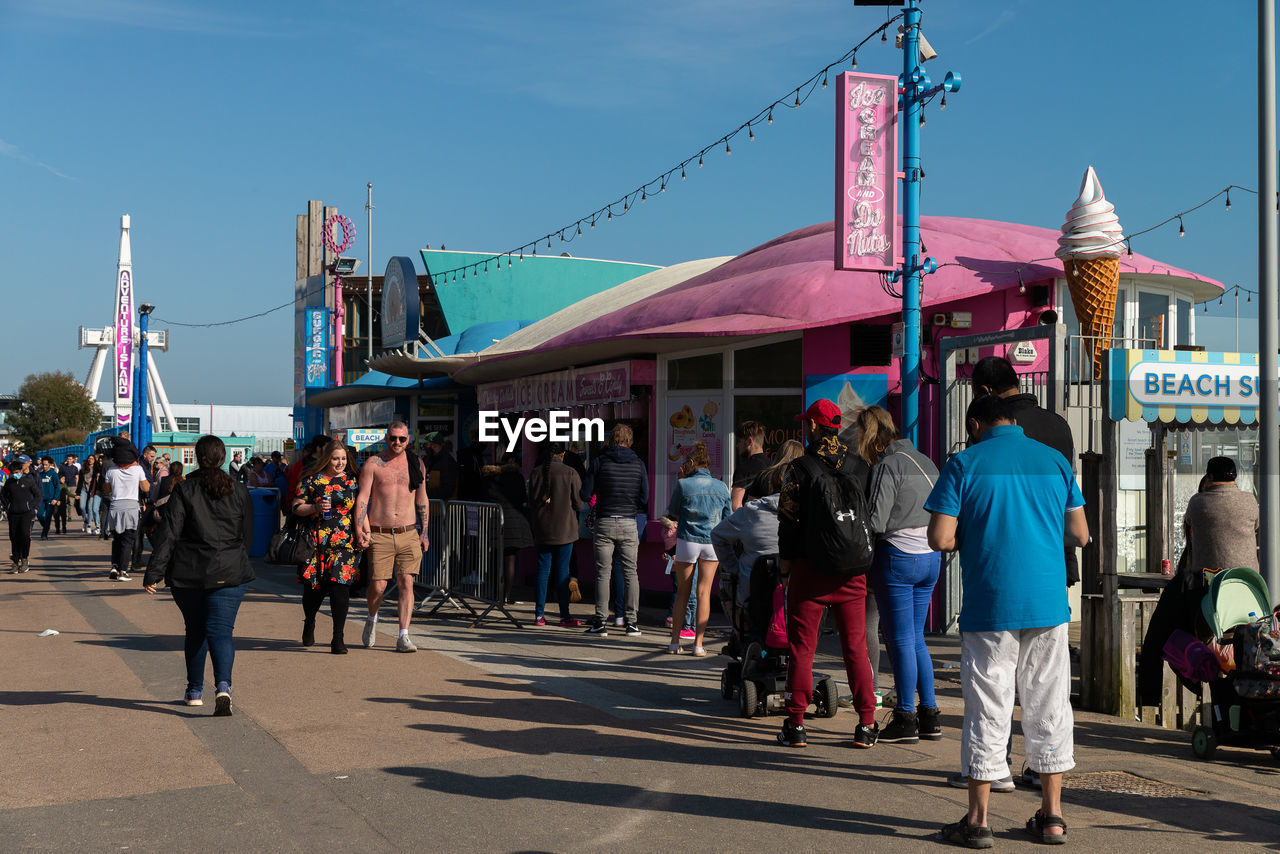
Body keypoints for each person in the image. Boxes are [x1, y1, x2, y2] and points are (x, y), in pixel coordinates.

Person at [926, 394, 1089, 848]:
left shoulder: (964, 463)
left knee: (988, 703)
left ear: (976, 423)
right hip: (1046, 603)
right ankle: (1052, 816)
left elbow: (940, 537)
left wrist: (976, 529)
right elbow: (1080, 533)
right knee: (1050, 702)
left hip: (991, 601)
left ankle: (978, 820)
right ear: (1015, 422)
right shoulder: (1054, 461)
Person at [776, 398, 877, 750]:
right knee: (856, 648)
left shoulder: (798, 469)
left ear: (815, 427)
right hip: (852, 572)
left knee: (803, 648)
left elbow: (787, 521)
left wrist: (785, 566)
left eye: (808, 424)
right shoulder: (860, 465)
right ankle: (866, 723)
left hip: (809, 569)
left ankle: (796, 724)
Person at [143, 435, 254, 715]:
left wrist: (154, 573)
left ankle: (194, 690)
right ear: (223, 457)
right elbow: (247, 536)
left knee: (195, 631)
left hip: (189, 573)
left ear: (197, 456)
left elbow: (169, 534)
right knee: (221, 631)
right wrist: (237, 561)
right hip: (230, 571)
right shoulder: (239, 490)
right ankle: (224, 686)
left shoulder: (185, 489)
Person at [858, 405, 943, 744]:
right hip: (931, 557)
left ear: (872, 440)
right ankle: (930, 714)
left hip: (898, 557)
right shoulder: (927, 462)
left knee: (900, 639)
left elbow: (876, 522)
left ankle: (905, 716)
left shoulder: (887, 466)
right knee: (917, 637)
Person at [354, 422, 430, 653]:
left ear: (409, 440)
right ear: (386, 438)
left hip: (408, 532)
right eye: (393, 438)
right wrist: (360, 528)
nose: (397, 443)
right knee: (378, 586)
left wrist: (424, 531)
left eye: (402, 439)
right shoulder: (374, 464)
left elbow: (422, 498)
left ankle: (403, 635)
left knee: (406, 582)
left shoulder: (416, 464)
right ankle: (372, 617)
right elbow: (363, 498)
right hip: (380, 533)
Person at [580, 423, 649, 636]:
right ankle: (632, 622)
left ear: (612, 440)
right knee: (631, 572)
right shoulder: (639, 465)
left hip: (605, 520)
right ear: (630, 441)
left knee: (603, 572)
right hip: (629, 521)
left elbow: (585, 494)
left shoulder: (599, 462)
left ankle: (600, 622)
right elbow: (645, 497)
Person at [293, 441, 361, 654]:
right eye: (335, 458)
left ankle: (338, 638)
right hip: (316, 543)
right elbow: (296, 507)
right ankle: (310, 620)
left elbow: (360, 509)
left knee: (340, 588)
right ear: (327, 459)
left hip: (345, 543)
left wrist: (364, 532)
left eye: (343, 458)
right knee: (313, 590)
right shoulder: (311, 480)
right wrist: (313, 507)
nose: (339, 463)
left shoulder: (353, 481)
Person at [666, 442, 731, 655]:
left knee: (683, 593)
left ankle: (675, 642)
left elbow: (674, 513)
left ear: (693, 462)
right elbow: (727, 518)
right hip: (711, 543)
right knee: (704, 593)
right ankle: (699, 645)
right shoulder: (721, 487)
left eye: (686, 462)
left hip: (688, 541)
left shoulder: (683, 485)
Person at [529, 444, 584, 627]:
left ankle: (539, 615)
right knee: (563, 572)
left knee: (543, 570)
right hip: (565, 530)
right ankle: (564, 615)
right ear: (563, 454)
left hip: (542, 529)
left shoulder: (536, 472)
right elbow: (578, 503)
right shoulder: (570, 472)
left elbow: (531, 500)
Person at [1183, 456, 1260, 575]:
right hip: (1247, 580)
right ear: (1235, 476)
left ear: (1210, 476)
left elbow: (1188, 522)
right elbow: (1256, 526)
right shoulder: (1250, 500)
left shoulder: (1196, 502)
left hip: (1207, 581)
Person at [483, 454, 536, 608]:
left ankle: (494, 594)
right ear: (511, 462)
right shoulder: (516, 477)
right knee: (510, 559)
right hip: (514, 522)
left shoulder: (488, 477)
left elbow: (482, 497)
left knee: (493, 558)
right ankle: (506, 595)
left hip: (493, 521)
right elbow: (522, 497)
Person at [104, 439, 151, 581]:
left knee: (116, 539)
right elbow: (146, 488)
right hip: (131, 507)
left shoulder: (111, 470)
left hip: (115, 507)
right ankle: (123, 571)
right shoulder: (137, 469)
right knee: (128, 540)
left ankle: (114, 565)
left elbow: (107, 489)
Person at [2, 455, 40, 573]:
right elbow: (2, 495)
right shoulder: (9, 482)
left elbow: (38, 495)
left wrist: (31, 506)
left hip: (26, 513)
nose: (16, 474)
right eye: (13, 472)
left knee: (24, 536)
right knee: (14, 537)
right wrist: (7, 506)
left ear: (21, 471)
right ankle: (15, 561)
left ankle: (24, 559)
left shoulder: (29, 481)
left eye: (17, 472)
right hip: (13, 513)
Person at [731, 420, 771, 510]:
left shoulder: (744, 468)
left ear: (749, 441)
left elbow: (736, 505)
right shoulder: (772, 465)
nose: (737, 445)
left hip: (751, 521)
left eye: (739, 441)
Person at [422, 431, 459, 501]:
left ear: (433, 445)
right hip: (430, 507)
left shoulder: (448, 462)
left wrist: (423, 492)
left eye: (426, 444)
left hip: (443, 509)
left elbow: (447, 491)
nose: (424, 447)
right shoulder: (428, 460)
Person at [457, 427, 487, 501]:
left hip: (472, 495)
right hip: (470, 495)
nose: (486, 443)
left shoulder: (478, 454)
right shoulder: (467, 454)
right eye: (484, 440)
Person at [36, 457, 61, 540]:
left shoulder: (53, 474)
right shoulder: (40, 474)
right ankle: (46, 526)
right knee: (39, 515)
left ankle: (44, 534)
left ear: (50, 464)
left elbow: (57, 487)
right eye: (43, 465)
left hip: (50, 499)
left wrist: (55, 498)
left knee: (48, 516)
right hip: (41, 499)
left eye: (46, 465)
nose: (44, 466)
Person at [56, 454, 79, 534]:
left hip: (72, 486)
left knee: (71, 502)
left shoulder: (75, 468)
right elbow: (59, 475)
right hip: (64, 486)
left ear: (73, 460)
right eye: (68, 459)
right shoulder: (62, 467)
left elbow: (77, 477)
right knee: (64, 502)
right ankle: (64, 515)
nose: (69, 460)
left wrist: (77, 486)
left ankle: (69, 516)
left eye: (70, 459)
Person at [79, 455, 102, 535]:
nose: (90, 460)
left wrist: (93, 479)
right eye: (89, 458)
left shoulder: (96, 469)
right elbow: (80, 481)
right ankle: (85, 520)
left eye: (92, 459)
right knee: (82, 506)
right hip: (84, 490)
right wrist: (77, 492)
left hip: (92, 491)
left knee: (90, 507)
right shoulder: (83, 469)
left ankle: (89, 524)